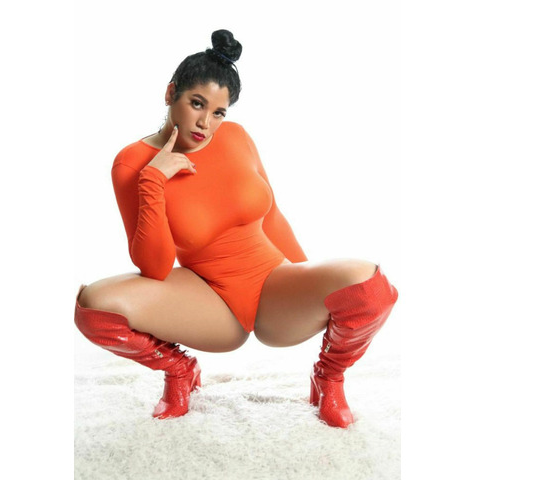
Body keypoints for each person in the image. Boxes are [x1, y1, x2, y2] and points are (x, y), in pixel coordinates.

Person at [74, 29, 398, 428]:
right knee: (94, 308)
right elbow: (154, 268)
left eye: (218, 112)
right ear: (171, 93)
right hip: (207, 299)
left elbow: (272, 215)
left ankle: (328, 379)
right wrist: (153, 180)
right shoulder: (131, 162)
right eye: (197, 103)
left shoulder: (237, 137)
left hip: (274, 285)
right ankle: (179, 371)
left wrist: (308, 282)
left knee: (370, 287)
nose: (205, 122)